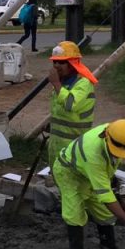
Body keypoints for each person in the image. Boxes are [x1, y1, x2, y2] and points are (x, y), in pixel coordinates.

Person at [52, 119, 125, 249]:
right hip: (69, 172)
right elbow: (106, 195)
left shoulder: (116, 134)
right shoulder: (93, 153)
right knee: (74, 212)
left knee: (105, 213)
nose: (119, 155)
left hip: (89, 174)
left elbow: (109, 164)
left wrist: (111, 177)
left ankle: (108, 247)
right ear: (106, 137)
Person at [46, 40, 97, 168]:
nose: (57, 65)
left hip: (74, 146)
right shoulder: (63, 82)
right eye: (54, 62)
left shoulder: (83, 83)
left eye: (62, 62)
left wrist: (56, 84)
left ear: (72, 63)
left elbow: (70, 104)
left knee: (70, 182)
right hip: (56, 145)